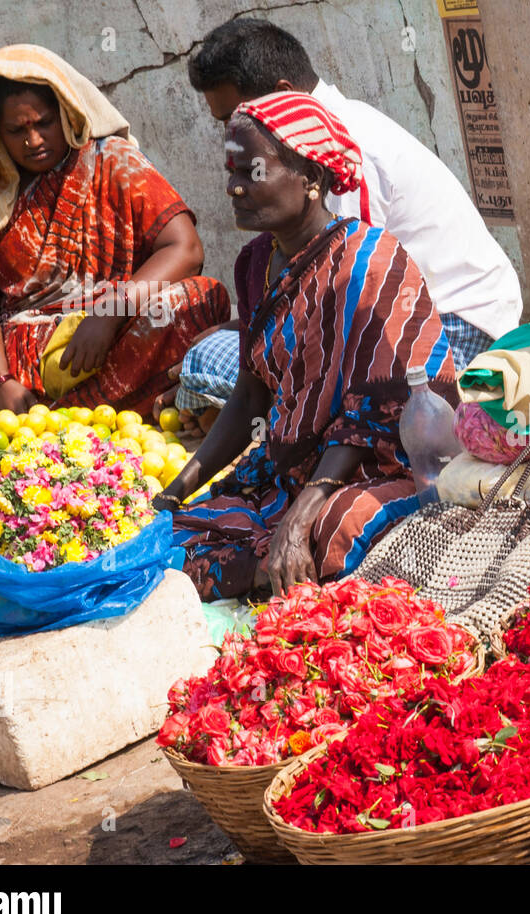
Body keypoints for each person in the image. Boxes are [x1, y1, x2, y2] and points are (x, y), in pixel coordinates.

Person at [157, 91, 456, 600]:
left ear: (312, 180)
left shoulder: (370, 260)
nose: (233, 188)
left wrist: (300, 517)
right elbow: (251, 396)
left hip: (381, 462)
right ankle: (271, 561)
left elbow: (374, 415)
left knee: (333, 531)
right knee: (169, 540)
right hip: (291, 466)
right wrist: (174, 492)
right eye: (230, 171)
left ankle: (289, 555)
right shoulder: (256, 265)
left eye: (251, 172)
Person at [164, 17, 520, 427]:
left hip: (453, 331)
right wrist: (244, 331)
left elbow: (348, 309)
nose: (231, 136)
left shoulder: (339, 151)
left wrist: (250, 358)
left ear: (283, 95)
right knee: (229, 354)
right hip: (412, 320)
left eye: (234, 117)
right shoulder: (335, 129)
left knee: (212, 363)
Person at [0, 44, 229, 449]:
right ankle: (51, 429)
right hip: (20, 362)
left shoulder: (112, 162)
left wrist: (109, 313)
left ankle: (77, 426)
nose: (33, 140)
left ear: (65, 113)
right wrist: (0, 383)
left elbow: (184, 248)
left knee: (196, 299)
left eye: (44, 123)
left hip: (112, 338)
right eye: (16, 131)